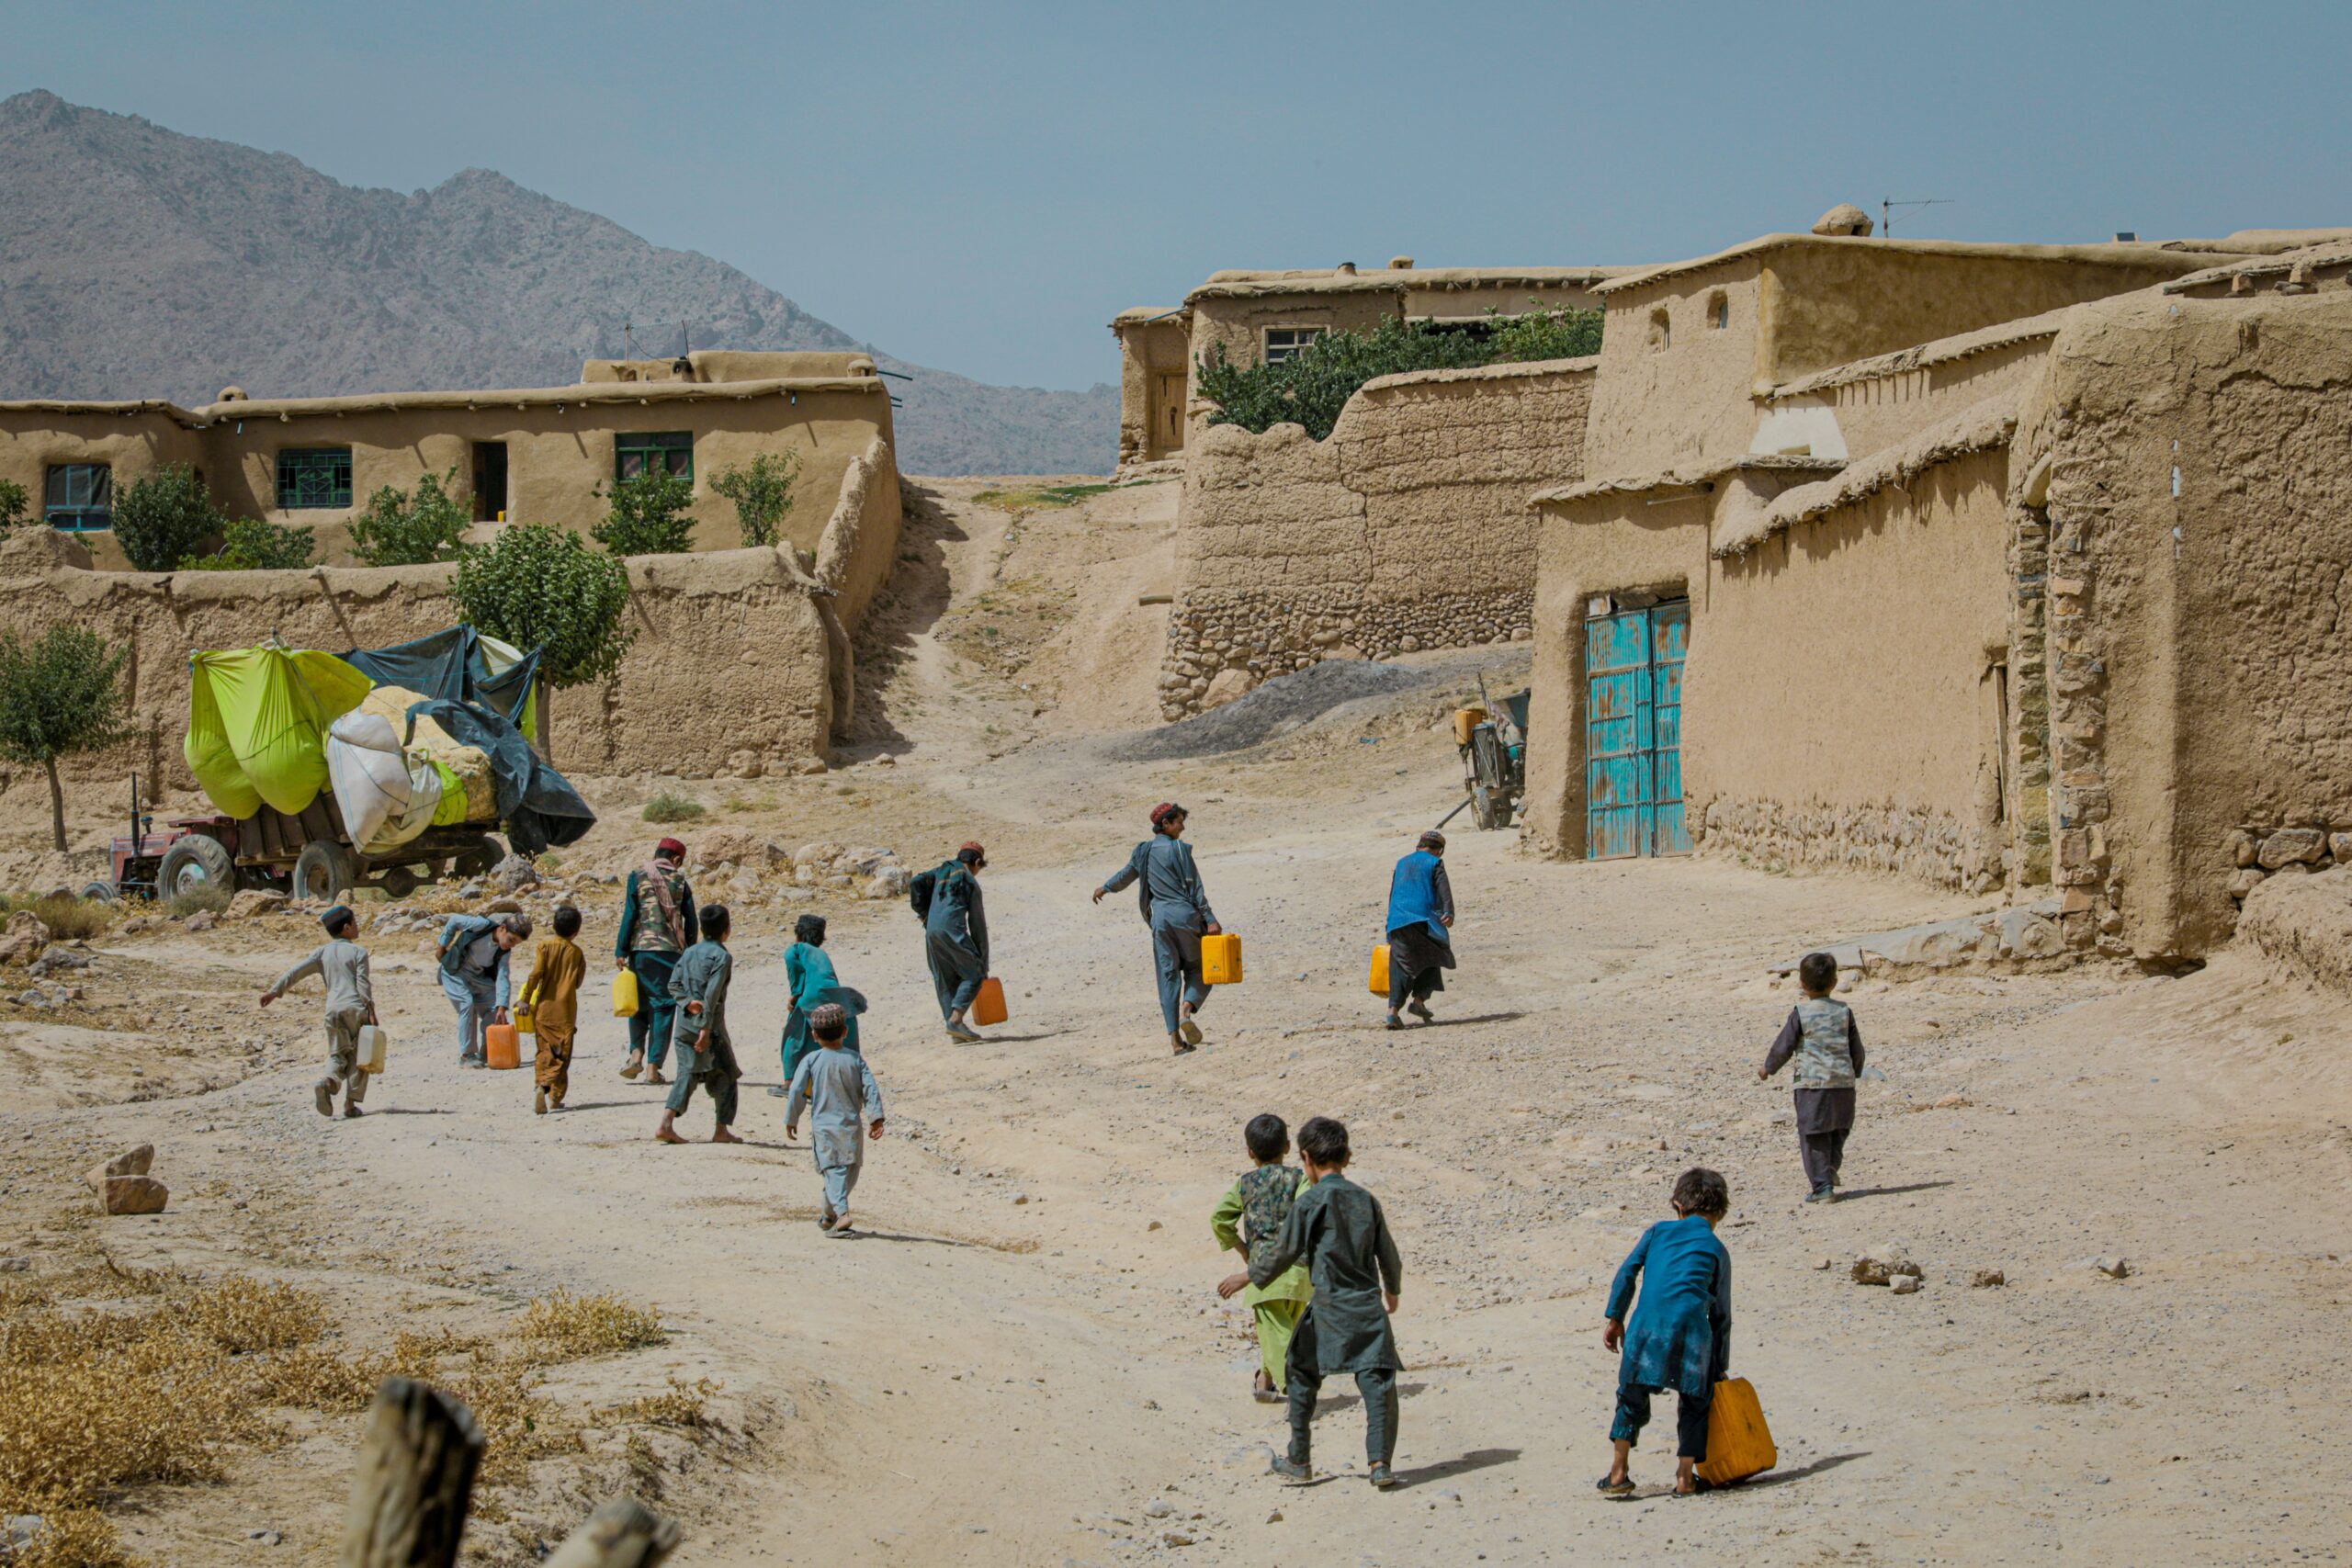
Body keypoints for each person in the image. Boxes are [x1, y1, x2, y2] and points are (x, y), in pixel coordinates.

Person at [1250, 1116, 1404, 1490]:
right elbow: (1389, 1256)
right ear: (1347, 1156)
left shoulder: (1311, 1202)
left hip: (1328, 1308)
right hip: (1367, 1309)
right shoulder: (1367, 1200)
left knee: (1301, 1372)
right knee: (1378, 1382)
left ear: (1305, 1157)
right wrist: (1392, 1290)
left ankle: (1299, 1459)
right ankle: (1380, 1464)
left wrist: (1249, 1275)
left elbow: (1285, 1251)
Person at [1599, 1168, 1734, 1497]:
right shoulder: (1717, 1249)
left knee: (1630, 1397)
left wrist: (1615, 1317)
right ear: (1721, 1213)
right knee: (1696, 1402)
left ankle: (1618, 1473)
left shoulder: (1657, 1232)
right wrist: (1718, 1364)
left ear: (1678, 1205)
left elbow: (1627, 1272)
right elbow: (1721, 1314)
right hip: (1692, 1334)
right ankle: (1685, 1478)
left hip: (1646, 1330)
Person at [1092, 802, 1221, 1055]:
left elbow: (1127, 874)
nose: (1183, 828)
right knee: (1201, 967)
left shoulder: (1144, 851)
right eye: (1180, 823)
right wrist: (1210, 917)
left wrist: (1105, 888)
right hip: (1186, 917)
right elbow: (1194, 887)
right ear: (1166, 824)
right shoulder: (1180, 850)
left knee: (1168, 976)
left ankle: (1175, 1040)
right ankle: (1187, 1010)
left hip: (1160, 921)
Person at [1213, 1113, 1315, 1404]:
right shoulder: (1300, 1180)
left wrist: (1244, 1251)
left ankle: (1298, 1387)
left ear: (1250, 1152)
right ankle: (1264, 1382)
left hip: (1264, 1273)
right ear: (1286, 1146)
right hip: (1299, 1271)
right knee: (1284, 1333)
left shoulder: (1243, 1185)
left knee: (1276, 1334)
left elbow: (1219, 1219)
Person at [1757, 950, 1865, 1202]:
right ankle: (1829, 1170)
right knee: (1839, 1129)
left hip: (1811, 1086)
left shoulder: (1801, 1013)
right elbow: (1856, 1048)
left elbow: (1784, 1045)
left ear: (1802, 985)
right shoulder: (1844, 1012)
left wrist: (1767, 1068)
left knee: (1813, 1134)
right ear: (1835, 983)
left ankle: (1822, 1187)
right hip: (1843, 1084)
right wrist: (1856, 1071)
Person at [260, 904, 377, 1120]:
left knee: (337, 1052)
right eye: (355, 923)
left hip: (333, 1010)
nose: (358, 926)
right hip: (355, 1008)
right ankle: (350, 1104)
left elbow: (296, 972)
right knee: (360, 1056)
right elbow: (363, 985)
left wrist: (274, 991)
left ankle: (327, 1082)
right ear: (347, 927)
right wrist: (371, 1010)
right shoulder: (359, 952)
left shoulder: (321, 953)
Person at [783, 1002, 887, 1235]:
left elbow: (797, 1090)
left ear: (814, 1035)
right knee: (847, 1173)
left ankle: (838, 1214)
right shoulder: (856, 1060)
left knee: (834, 1172)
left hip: (824, 1129)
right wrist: (875, 1117)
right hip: (851, 1128)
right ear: (845, 1031)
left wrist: (792, 1118)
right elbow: (870, 1088)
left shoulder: (811, 1060)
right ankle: (832, 1216)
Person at [655, 901, 742, 1145]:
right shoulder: (722, 956)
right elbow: (712, 997)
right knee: (727, 1073)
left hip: (684, 1026)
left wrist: (686, 1002)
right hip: (710, 1029)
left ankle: (666, 1123)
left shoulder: (689, 952)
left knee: (687, 1073)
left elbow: (673, 985)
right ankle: (721, 1129)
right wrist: (705, 1029)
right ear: (727, 929)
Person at [616, 837, 699, 1085]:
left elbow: (630, 914)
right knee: (663, 1005)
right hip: (669, 952)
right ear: (675, 860)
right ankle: (653, 1067)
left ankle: (636, 1054)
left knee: (638, 1003)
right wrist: (691, 951)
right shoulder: (680, 880)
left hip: (639, 950)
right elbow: (691, 920)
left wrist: (621, 950)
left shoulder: (637, 875)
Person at [775, 913, 863, 1097]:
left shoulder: (795, 949)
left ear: (798, 933)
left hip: (812, 994)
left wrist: (794, 996)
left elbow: (797, 981)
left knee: (795, 1034)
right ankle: (852, 1077)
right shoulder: (821, 953)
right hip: (836, 992)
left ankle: (790, 1082)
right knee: (844, 1027)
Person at [911, 842, 990, 1043]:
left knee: (944, 979)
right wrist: (983, 961)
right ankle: (956, 1020)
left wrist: (924, 914)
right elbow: (977, 925)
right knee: (974, 973)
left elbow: (916, 881)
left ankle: (955, 1031)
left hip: (931, 932)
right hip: (952, 931)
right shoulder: (969, 881)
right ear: (977, 862)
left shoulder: (942, 870)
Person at [1383, 829, 1456, 1031]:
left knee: (1401, 964)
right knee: (1434, 956)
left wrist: (1389, 924)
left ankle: (1393, 1012)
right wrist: (1449, 912)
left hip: (1397, 920)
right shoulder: (1435, 863)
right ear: (1439, 850)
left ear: (1418, 846)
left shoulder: (1401, 863)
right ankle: (1419, 1001)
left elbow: (1393, 893)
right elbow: (1443, 889)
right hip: (1422, 919)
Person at [518, 904, 588, 1115]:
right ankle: (556, 1097)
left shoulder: (544, 947)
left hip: (544, 1010)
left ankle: (541, 1085)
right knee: (563, 1053)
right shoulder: (576, 953)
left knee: (544, 1050)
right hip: (566, 1012)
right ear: (576, 931)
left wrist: (524, 999)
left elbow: (535, 974)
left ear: (554, 926)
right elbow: (577, 982)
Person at [437, 909, 529, 1067]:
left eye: (516, 943)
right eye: (511, 939)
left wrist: (502, 1006)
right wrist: (442, 947)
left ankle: (487, 1052)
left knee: (495, 1010)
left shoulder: (504, 951)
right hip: (455, 972)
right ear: (502, 929)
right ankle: (467, 1055)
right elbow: (454, 920)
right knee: (467, 1005)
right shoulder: (481, 925)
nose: (511, 945)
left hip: (478, 978)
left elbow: (503, 977)